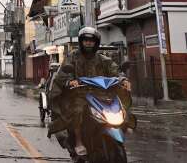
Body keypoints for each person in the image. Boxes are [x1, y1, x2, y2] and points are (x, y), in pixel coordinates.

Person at [48, 26, 131, 157]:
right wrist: (70, 81)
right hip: (79, 94)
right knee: (77, 110)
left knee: (120, 107)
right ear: (81, 41)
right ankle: (78, 141)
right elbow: (63, 72)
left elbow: (115, 70)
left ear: (96, 43)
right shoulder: (73, 57)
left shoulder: (102, 59)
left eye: (91, 41)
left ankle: (123, 128)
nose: (88, 43)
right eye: (85, 40)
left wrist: (123, 79)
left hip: (101, 95)